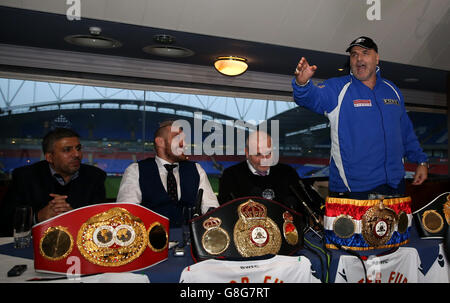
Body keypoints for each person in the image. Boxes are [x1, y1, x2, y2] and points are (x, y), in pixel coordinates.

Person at [292, 36, 428, 199]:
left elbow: (406, 132)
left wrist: (421, 161)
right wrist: (302, 84)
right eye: (354, 54)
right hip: (353, 191)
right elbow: (310, 97)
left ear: (377, 58)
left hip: (394, 186)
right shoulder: (337, 88)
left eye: (365, 53)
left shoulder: (392, 90)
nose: (359, 59)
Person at [0, 128, 106, 236]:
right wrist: (38, 217)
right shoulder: (25, 177)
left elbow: (102, 223)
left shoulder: (95, 177)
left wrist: (73, 216)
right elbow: (5, 222)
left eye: (78, 148)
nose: (77, 154)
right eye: (67, 150)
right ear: (50, 157)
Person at [116, 121, 219, 226]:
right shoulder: (136, 170)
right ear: (160, 142)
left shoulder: (196, 169)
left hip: (190, 239)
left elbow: (211, 208)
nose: (184, 144)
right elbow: (127, 213)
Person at [218, 130, 323, 214]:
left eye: (268, 154)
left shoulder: (287, 172)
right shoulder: (231, 175)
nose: (264, 159)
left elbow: (305, 204)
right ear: (247, 152)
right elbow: (225, 211)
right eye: (258, 155)